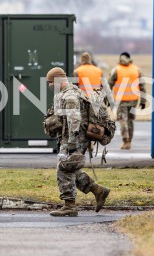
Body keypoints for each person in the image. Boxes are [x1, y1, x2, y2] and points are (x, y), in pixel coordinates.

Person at [45, 67, 111, 217]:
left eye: (50, 83)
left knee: (64, 168)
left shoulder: (69, 96)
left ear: (57, 81)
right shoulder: (73, 91)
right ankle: (98, 191)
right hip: (72, 137)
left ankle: (70, 206)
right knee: (71, 169)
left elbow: (74, 119)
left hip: (73, 138)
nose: (49, 86)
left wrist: (72, 144)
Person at [108, 52, 146, 150]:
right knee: (130, 121)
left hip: (121, 100)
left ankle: (126, 141)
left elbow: (109, 84)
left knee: (122, 120)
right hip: (133, 100)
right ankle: (130, 141)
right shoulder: (137, 69)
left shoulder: (116, 69)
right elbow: (142, 86)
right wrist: (143, 101)